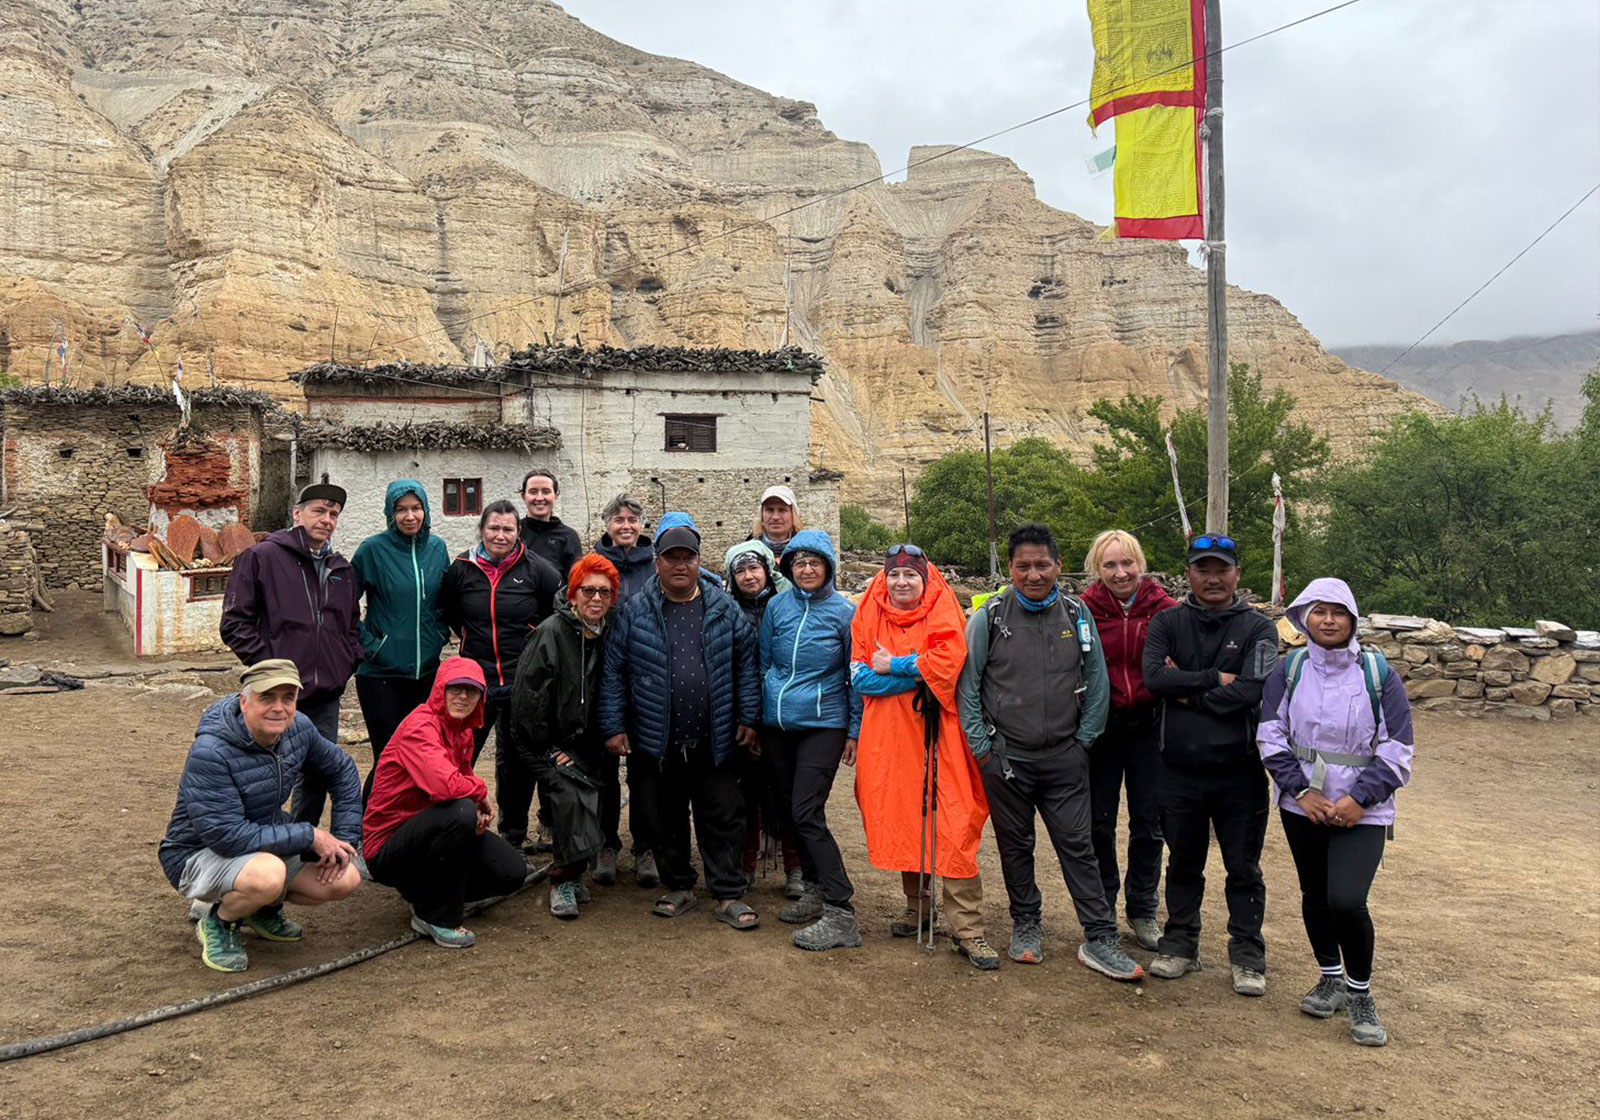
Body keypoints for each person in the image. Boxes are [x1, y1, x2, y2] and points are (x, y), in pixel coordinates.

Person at [958, 524, 1145, 982]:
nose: (1034, 574)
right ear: (1010, 569)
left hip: (1065, 757)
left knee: (1078, 848)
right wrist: (984, 749)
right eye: (1023, 566)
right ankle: (1026, 923)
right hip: (1006, 760)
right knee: (1015, 847)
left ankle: (1100, 937)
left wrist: (1084, 742)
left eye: (1043, 564)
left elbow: (1097, 681)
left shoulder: (1077, 615)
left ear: (1059, 566)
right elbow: (969, 686)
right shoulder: (990, 616)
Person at [1259, 578, 1413, 1046]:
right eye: (1318, 612)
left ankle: (1360, 992)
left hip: (1362, 808)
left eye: (1337, 612)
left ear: (1352, 618)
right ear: (1304, 618)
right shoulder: (1289, 671)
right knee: (1315, 894)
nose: (1328, 621)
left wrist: (1358, 800)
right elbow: (1270, 734)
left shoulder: (1378, 674)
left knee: (1347, 899)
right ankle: (1329, 975)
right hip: (1301, 802)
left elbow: (1398, 747)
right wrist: (1302, 792)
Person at [599, 512, 762, 931]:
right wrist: (614, 726)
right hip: (657, 736)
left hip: (715, 735)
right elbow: (614, 671)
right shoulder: (635, 612)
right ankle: (680, 885)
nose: (680, 565)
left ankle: (727, 893)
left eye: (687, 557)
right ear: (657, 563)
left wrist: (749, 716)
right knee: (665, 814)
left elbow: (746, 665)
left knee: (722, 814)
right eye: (671, 557)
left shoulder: (724, 609)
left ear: (697, 561)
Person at [1141, 533, 1281, 996]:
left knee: (1243, 868)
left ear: (1237, 574)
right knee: (1183, 862)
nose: (1213, 578)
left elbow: (1252, 690)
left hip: (1239, 771)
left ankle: (1247, 955)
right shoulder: (1166, 621)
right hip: (1177, 770)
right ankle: (1180, 945)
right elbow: (1154, 679)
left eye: (1222, 569)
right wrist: (1213, 680)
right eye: (1203, 569)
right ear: (1189, 575)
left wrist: (1186, 691)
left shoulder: (1259, 628)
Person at [159, 660, 362, 973]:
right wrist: (310, 835)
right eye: (267, 698)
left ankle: (261, 908)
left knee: (344, 877)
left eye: (288, 698)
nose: (278, 708)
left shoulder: (299, 729)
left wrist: (344, 839)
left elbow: (343, 770)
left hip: (261, 838)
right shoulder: (211, 752)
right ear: (244, 701)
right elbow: (227, 836)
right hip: (196, 853)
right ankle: (220, 921)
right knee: (267, 875)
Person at [851, 545, 994, 968]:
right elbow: (861, 677)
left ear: (924, 579)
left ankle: (968, 930)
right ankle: (918, 908)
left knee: (952, 822)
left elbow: (951, 665)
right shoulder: (868, 611)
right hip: (892, 740)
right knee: (906, 816)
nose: (900, 583)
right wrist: (918, 672)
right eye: (894, 575)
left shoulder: (944, 609)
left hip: (942, 737)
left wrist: (893, 664)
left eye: (910, 576)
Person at [220, 482, 363, 826]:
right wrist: (271, 671)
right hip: (277, 695)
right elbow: (235, 622)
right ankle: (262, 850)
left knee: (316, 777)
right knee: (269, 774)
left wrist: (345, 662)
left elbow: (351, 626)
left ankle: (303, 849)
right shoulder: (262, 557)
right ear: (297, 514)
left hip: (324, 695)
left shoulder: (341, 569)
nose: (326, 519)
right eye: (318, 511)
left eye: (333, 514)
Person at [363, 656, 529, 948]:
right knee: (459, 811)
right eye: (455, 688)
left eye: (472, 690)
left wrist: (476, 810)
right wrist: (478, 795)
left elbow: (459, 782)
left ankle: (424, 894)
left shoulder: (461, 730)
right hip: (389, 844)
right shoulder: (420, 726)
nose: (462, 697)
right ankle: (436, 916)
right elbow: (445, 786)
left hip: (430, 829)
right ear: (441, 688)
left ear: (481, 697)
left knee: (512, 871)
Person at [760, 531, 863, 951]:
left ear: (828, 569)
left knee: (805, 812)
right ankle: (817, 890)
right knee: (791, 809)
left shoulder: (844, 613)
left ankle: (842, 911)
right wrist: (760, 714)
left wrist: (854, 730)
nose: (806, 569)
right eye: (799, 563)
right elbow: (764, 661)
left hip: (825, 722)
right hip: (780, 723)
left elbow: (853, 676)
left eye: (814, 563)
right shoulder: (776, 606)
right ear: (788, 568)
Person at [439, 499, 561, 850]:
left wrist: (533, 651)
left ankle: (512, 834)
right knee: (461, 754)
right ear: (482, 530)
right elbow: (449, 611)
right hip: (474, 682)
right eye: (494, 528)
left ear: (518, 531)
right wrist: (467, 640)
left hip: (520, 680)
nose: (501, 535)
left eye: (508, 529)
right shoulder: (462, 567)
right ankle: (455, 826)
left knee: (514, 762)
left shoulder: (538, 569)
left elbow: (554, 617)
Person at [1079, 529, 1178, 950]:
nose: (1120, 573)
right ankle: (1102, 908)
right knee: (1098, 821)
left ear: (1140, 563)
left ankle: (1142, 909)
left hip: (1149, 724)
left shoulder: (1166, 611)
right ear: (1096, 569)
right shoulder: (1082, 610)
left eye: (1127, 563)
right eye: (1110, 565)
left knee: (1149, 824)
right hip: (1101, 726)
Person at [510, 553, 623, 917]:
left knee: (599, 795)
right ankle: (562, 879)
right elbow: (528, 704)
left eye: (604, 592)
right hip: (545, 742)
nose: (595, 599)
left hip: (590, 741)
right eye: (587, 590)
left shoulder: (612, 631)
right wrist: (550, 748)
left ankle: (576, 871)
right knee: (570, 795)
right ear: (572, 594)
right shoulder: (549, 634)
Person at [350, 479, 452, 803]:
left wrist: (439, 635)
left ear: (426, 510)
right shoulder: (372, 550)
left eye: (416, 508)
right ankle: (369, 831)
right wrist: (371, 645)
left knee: (423, 755)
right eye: (401, 509)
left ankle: (410, 830)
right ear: (390, 513)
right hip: (381, 675)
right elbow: (344, 606)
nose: (410, 516)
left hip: (426, 673)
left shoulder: (437, 548)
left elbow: (445, 600)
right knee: (389, 757)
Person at [724, 539, 802, 897]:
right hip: (742, 715)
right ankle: (747, 864)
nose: (748, 575)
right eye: (740, 570)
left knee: (788, 794)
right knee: (748, 796)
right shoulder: (725, 611)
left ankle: (795, 868)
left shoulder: (787, 606)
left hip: (783, 713)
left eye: (753, 568)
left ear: (767, 570)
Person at [518, 468, 583, 583]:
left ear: (555, 495)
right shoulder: (514, 533)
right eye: (533, 491)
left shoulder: (569, 537)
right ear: (524, 496)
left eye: (546, 491)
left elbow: (575, 583)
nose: (539, 498)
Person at [594, 493, 656, 605]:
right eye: (619, 520)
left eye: (632, 520)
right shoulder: (593, 567)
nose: (626, 526)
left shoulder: (656, 568)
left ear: (640, 525)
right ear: (608, 525)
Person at [750, 484, 802, 556]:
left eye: (782, 510)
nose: (775, 517)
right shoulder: (748, 553)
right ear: (761, 516)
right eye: (770, 510)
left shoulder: (807, 552)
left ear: (793, 515)